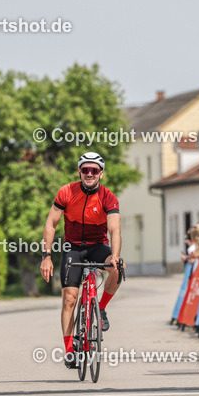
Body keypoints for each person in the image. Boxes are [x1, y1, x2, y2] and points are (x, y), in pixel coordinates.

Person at [40, 151, 122, 370]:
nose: (89, 173)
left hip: (97, 246)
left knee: (117, 268)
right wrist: (46, 256)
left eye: (93, 170)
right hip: (72, 247)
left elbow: (115, 230)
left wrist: (114, 257)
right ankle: (69, 350)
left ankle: (101, 307)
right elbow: (51, 224)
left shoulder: (108, 197)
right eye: (85, 169)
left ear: (100, 174)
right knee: (69, 299)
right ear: (79, 171)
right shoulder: (66, 192)